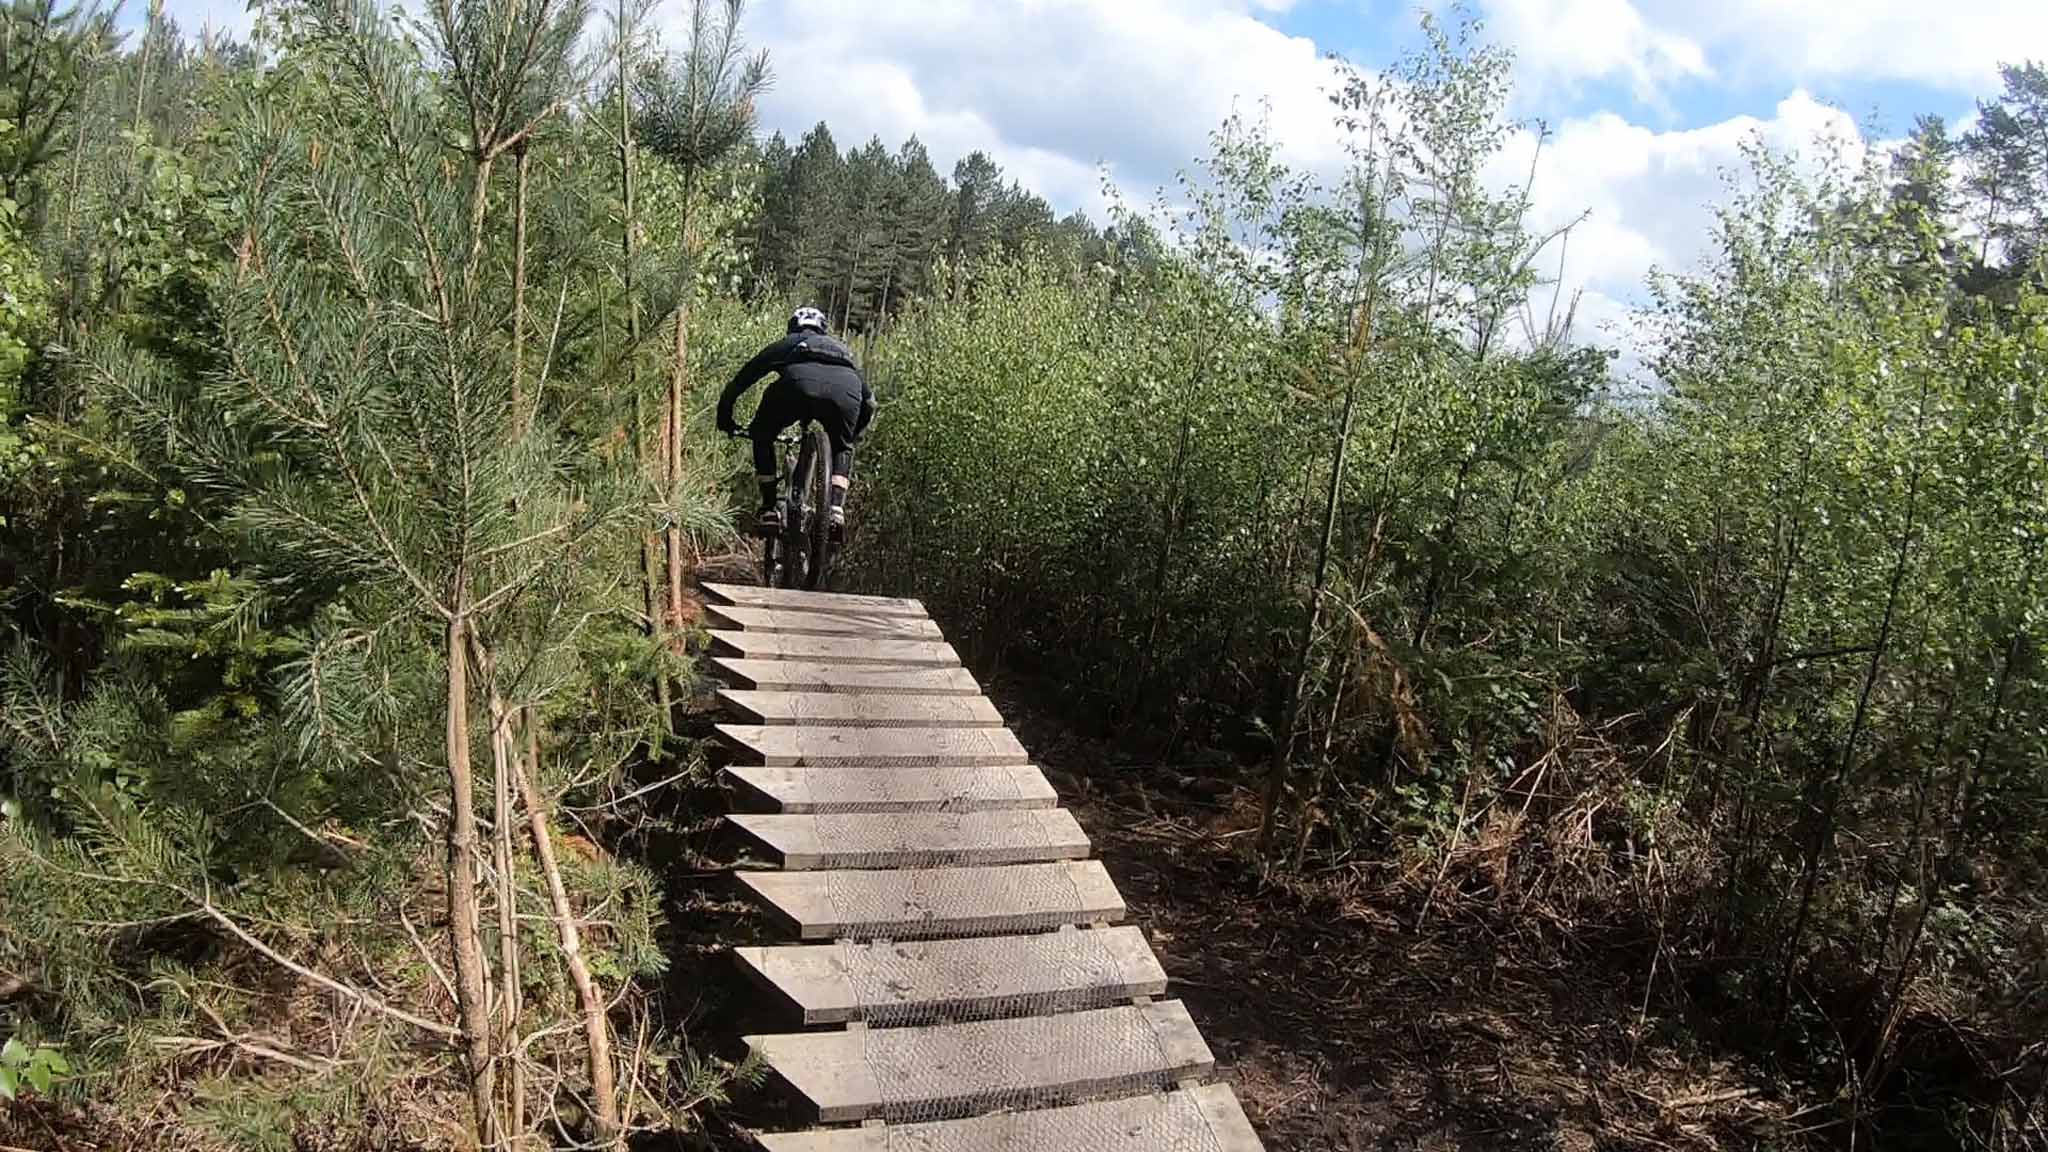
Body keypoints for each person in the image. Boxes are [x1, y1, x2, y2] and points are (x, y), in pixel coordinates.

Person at [716, 306, 876, 540]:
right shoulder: (842, 350)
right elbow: (870, 403)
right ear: (823, 330)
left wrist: (725, 417)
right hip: (846, 392)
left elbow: (744, 378)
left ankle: (769, 508)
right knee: (842, 448)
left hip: (797, 387)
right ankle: (835, 509)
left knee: (762, 434)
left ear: (793, 327)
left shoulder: (790, 343)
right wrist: (852, 434)